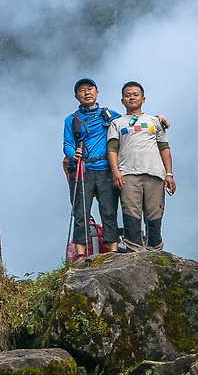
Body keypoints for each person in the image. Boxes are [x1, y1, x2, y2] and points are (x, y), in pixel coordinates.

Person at [107, 81, 175, 252]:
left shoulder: (155, 121)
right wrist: (115, 171)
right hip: (128, 173)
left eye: (135, 94)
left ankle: (155, 249)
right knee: (131, 213)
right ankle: (134, 249)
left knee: (155, 213)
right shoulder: (117, 123)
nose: (131, 97)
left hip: (154, 173)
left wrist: (169, 174)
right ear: (122, 100)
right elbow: (112, 149)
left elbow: (164, 148)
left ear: (143, 99)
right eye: (127, 95)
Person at [63, 77, 122, 261]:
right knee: (81, 212)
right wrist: (73, 154)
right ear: (76, 96)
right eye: (82, 90)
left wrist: (156, 119)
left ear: (97, 92)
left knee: (109, 210)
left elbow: (129, 123)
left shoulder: (110, 115)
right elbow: (67, 143)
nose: (86, 92)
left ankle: (113, 250)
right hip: (83, 169)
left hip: (106, 168)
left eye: (90, 89)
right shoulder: (71, 120)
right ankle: (81, 254)